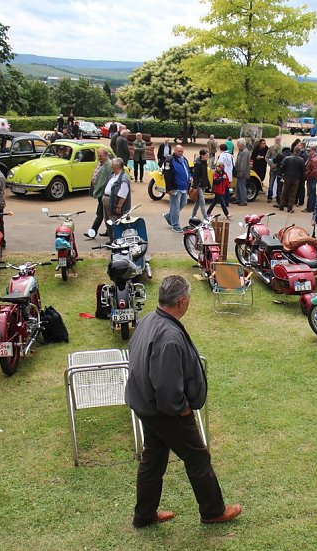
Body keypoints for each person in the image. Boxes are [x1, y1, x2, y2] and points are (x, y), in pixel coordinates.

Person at [126, 275, 241, 528]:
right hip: (164, 411)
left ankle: (144, 515)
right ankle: (213, 511)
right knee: (197, 457)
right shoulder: (168, 336)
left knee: (153, 459)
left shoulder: (149, 320)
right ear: (181, 301)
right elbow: (167, 385)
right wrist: (182, 410)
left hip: (145, 404)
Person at [162, 145, 191, 232]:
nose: (181, 153)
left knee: (183, 203)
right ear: (174, 151)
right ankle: (175, 225)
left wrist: (190, 177)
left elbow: (187, 170)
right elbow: (167, 174)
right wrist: (168, 188)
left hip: (184, 186)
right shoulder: (169, 160)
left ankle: (169, 215)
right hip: (175, 187)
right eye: (179, 151)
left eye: (182, 151)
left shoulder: (184, 159)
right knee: (175, 206)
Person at [102, 158, 132, 241]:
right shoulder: (113, 175)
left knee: (115, 222)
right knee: (108, 221)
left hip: (114, 203)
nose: (111, 165)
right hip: (107, 201)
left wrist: (119, 206)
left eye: (112, 164)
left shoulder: (123, 178)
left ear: (117, 166)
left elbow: (123, 195)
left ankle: (118, 241)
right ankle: (112, 240)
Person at [87, 147, 113, 238]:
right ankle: (108, 231)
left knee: (101, 213)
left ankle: (93, 231)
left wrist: (103, 192)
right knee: (103, 213)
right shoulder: (102, 163)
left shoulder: (108, 165)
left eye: (101, 156)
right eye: (98, 156)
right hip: (100, 192)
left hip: (103, 193)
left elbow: (108, 180)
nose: (99, 157)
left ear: (106, 155)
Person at [278, 147, 305, 213]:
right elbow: (303, 171)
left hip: (287, 177)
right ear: (299, 152)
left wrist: (281, 175)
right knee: (293, 194)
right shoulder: (301, 160)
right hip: (296, 179)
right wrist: (302, 180)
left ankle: (281, 205)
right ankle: (289, 208)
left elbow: (282, 167)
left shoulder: (287, 158)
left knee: (284, 192)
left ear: (293, 151)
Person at [191, 149, 210, 220]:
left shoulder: (205, 163)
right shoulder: (198, 164)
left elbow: (206, 174)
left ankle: (193, 215)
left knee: (198, 201)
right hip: (199, 184)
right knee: (202, 201)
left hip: (203, 184)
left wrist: (209, 185)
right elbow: (195, 176)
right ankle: (205, 217)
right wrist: (195, 187)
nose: (207, 157)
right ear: (202, 155)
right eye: (206, 155)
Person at [265, 136, 283, 202]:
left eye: (278, 140)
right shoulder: (271, 148)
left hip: (279, 169)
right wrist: (271, 164)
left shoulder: (282, 149)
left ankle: (278, 198)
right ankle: (269, 197)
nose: (277, 141)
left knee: (279, 184)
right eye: (276, 139)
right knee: (271, 183)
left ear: (280, 140)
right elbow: (266, 157)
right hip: (272, 168)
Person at [303, 146, 317, 212]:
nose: (308, 152)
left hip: (312, 178)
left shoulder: (314, 160)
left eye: (309, 151)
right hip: (313, 178)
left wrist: (308, 176)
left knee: (310, 193)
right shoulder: (313, 158)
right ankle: (312, 207)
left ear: (313, 151)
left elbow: (314, 171)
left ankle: (309, 208)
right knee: (312, 193)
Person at [233, 138, 250, 206]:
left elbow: (243, 163)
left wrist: (241, 173)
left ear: (241, 144)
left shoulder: (245, 152)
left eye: (238, 143)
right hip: (239, 172)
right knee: (238, 186)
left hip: (242, 173)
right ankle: (238, 199)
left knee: (242, 186)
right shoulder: (241, 151)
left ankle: (243, 201)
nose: (237, 145)